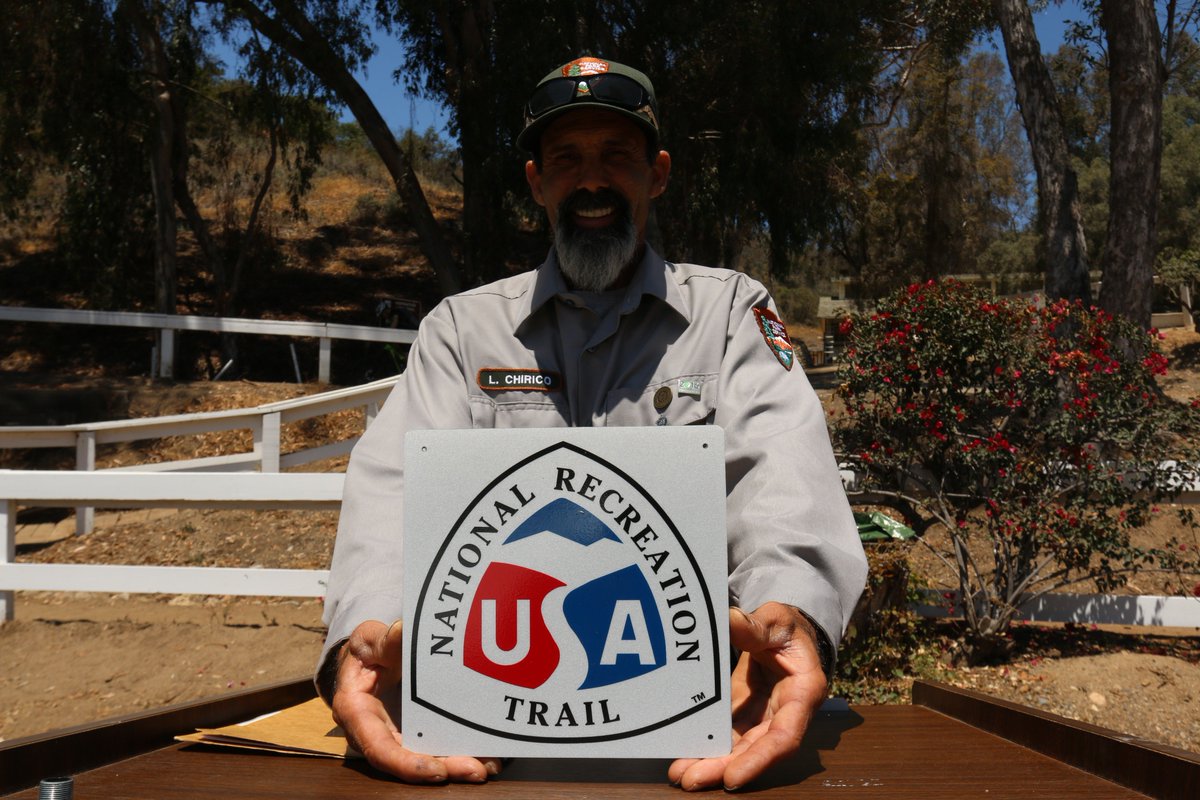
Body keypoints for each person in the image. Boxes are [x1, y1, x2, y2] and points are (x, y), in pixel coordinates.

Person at [317, 56, 867, 792]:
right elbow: (393, 489)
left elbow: (782, 470)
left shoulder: (732, 314)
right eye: (567, 159)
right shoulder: (460, 331)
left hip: (701, 733)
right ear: (536, 182)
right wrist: (371, 631)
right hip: (483, 731)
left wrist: (787, 614)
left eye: (617, 156)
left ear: (658, 173)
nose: (593, 181)